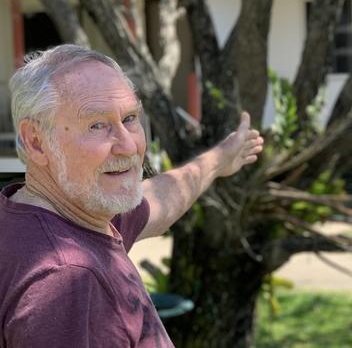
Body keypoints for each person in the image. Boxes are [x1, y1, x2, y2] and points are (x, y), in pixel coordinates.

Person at [0, 44, 264, 347]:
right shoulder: (69, 279)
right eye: (97, 125)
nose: (128, 145)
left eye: (129, 119)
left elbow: (160, 197)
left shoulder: (69, 216)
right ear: (36, 142)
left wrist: (220, 158)